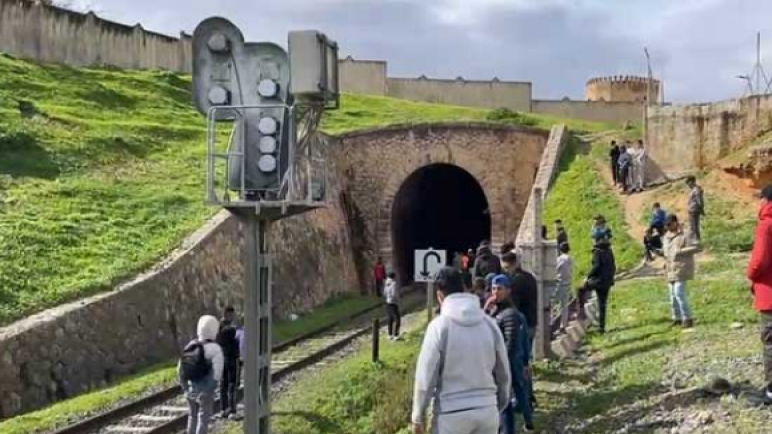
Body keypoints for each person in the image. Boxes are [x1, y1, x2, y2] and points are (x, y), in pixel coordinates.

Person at [411, 267, 511, 434]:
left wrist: (418, 416)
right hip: (487, 410)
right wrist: (498, 404)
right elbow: (503, 372)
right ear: (463, 288)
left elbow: (426, 376)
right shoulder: (489, 324)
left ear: (440, 296)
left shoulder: (439, 327)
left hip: (450, 415)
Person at [490, 274, 534, 434]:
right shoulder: (497, 311)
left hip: (511, 360)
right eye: (493, 289)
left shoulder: (510, 314)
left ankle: (526, 423)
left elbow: (513, 342)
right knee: (517, 392)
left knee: (515, 392)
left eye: (499, 289)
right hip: (507, 360)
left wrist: (521, 362)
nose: (495, 292)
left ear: (508, 291)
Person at [501, 251, 538, 410]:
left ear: (514, 264)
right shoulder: (530, 277)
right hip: (532, 323)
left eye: (507, 268)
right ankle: (529, 396)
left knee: (518, 362)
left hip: (522, 326)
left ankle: (524, 398)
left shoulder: (516, 282)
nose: (506, 271)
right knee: (525, 362)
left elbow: (513, 308)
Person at [747, 185, 772, 404]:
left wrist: (750, 275)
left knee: (770, 342)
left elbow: (759, 262)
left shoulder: (766, 225)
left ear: (766, 200)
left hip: (769, 293)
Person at [179, 315, 224, 434]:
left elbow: (180, 369)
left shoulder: (190, 345)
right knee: (203, 418)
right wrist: (208, 390)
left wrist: (186, 389)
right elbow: (217, 374)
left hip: (190, 389)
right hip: (205, 390)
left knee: (192, 416)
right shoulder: (215, 349)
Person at [663, 214, 701, 328]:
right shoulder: (666, 237)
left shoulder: (686, 234)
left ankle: (687, 318)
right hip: (670, 269)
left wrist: (680, 251)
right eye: (667, 225)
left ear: (675, 222)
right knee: (672, 296)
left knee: (679, 292)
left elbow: (697, 247)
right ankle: (677, 318)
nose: (668, 227)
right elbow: (666, 252)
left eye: (670, 224)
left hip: (682, 268)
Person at [583, 237, 616, 334]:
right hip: (607, 281)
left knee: (582, 289)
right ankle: (601, 326)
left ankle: (583, 315)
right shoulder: (609, 251)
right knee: (603, 303)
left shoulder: (597, 252)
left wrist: (588, 276)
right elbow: (613, 266)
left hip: (598, 281)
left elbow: (596, 266)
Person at [216, 307, 240, 419]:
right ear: (228, 314)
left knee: (223, 384)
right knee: (232, 384)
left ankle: (223, 409)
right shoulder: (232, 330)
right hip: (231, 358)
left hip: (221, 358)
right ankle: (232, 410)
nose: (233, 317)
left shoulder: (218, 328)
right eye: (232, 315)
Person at [555, 242, 573, 332]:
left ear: (560, 250)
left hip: (559, 284)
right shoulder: (570, 259)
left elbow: (555, 270)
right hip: (568, 283)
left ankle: (550, 324)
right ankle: (563, 325)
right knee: (564, 305)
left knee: (551, 304)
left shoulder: (559, 259)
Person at [686, 176, 706, 241]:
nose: (688, 185)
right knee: (693, 227)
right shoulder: (693, 190)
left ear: (692, 182)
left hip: (694, 210)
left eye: (688, 183)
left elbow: (699, 200)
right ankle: (697, 240)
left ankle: (697, 240)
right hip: (692, 210)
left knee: (694, 227)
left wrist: (701, 209)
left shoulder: (696, 190)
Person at [384, 271, 402, 340]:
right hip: (393, 303)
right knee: (397, 319)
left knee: (390, 319)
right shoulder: (394, 283)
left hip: (387, 302)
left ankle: (390, 334)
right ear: (394, 277)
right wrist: (398, 299)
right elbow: (395, 294)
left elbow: (384, 293)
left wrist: (388, 297)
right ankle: (396, 335)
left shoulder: (386, 283)